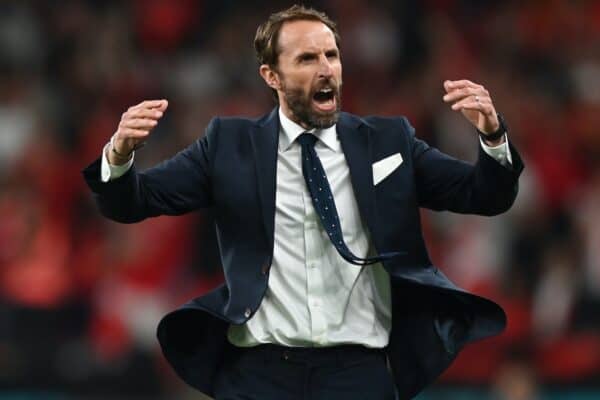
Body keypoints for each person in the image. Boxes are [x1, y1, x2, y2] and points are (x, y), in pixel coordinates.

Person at [82, 5, 523, 400]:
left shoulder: (390, 142)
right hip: (259, 373)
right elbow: (132, 203)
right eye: (307, 59)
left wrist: (492, 136)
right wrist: (119, 155)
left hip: (358, 374)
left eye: (331, 55)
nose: (326, 69)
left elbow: (483, 195)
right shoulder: (228, 146)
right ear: (271, 75)